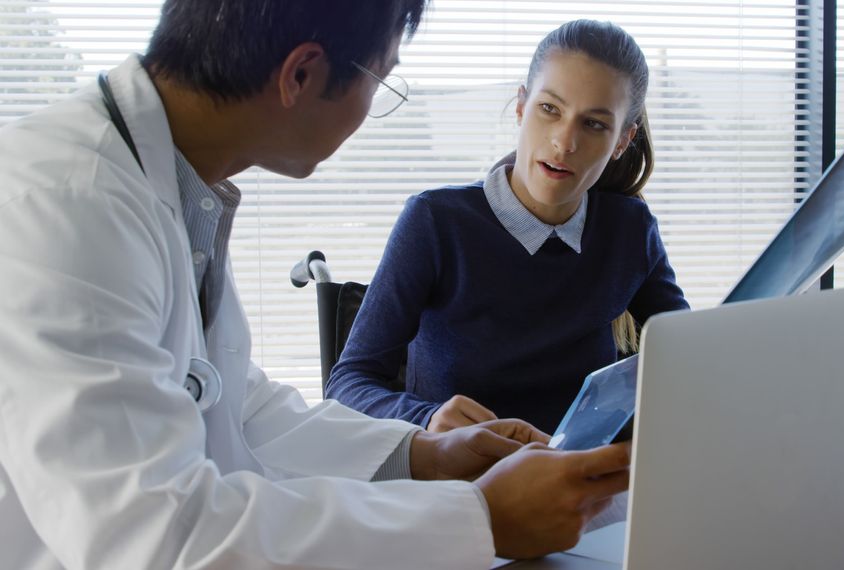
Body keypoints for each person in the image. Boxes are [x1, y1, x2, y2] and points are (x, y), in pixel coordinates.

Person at [0, 2, 632, 568]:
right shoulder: (69, 204)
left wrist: (423, 456)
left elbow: (239, 407)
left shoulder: (169, 187)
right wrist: (479, 519)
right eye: (380, 79)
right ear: (301, 75)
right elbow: (156, 535)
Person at [327, 20, 690, 434]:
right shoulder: (435, 222)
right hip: (462, 482)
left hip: (577, 481)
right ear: (521, 106)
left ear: (623, 140)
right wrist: (425, 419)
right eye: (549, 109)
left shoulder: (629, 230)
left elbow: (688, 363)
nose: (564, 142)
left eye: (594, 125)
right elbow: (346, 385)